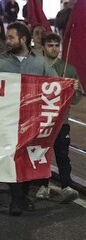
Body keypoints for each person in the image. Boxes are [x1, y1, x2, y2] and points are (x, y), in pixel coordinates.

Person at [0, 22, 57, 216]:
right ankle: (16, 200)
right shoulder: (0, 61)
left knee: (26, 159)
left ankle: (23, 195)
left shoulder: (40, 62)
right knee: (12, 158)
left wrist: (71, 87)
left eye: (11, 37)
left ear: (23, 39)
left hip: (32, 120)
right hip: (8, 119)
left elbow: (54, 84)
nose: (7, 41)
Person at [35, 33, 82, 203]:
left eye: (56, 45)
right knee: (41, 153)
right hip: (41, 120)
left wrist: (75, 88)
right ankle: (43, 185)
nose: (53, 49)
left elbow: (76, 99)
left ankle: (66, 185)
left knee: (62, 154)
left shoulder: (68, 69)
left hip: (62, 120)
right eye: (50, 45)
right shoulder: (37, 66)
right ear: (44, 47)